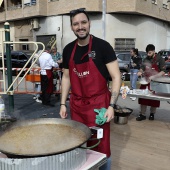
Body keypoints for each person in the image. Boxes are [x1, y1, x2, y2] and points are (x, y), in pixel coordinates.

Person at [59, 8, 121, 170]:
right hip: (77, 106)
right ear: (72, 27)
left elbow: (116, 77)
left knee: (102, 147)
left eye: (83, 22)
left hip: (99, 107)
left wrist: (111, 106)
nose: (80, 27)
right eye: (76, 24)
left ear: (89, 24)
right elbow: (66, 77)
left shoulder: (103, 47)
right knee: (79, 144)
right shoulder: (68, 50)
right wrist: (63, 104)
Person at [136, 44, 166, 121]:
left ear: (153, 51)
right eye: (147, 53)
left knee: (154, 99)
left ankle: (152, 114)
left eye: (149, 53)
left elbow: (163, 71)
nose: (148, 54)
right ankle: (142, 114)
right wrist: (140, 71)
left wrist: (154, 76)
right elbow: (142, 68)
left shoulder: (160, 59)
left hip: (156, 82)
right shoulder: (146, 59)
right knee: (143, 98)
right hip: (145, 81)